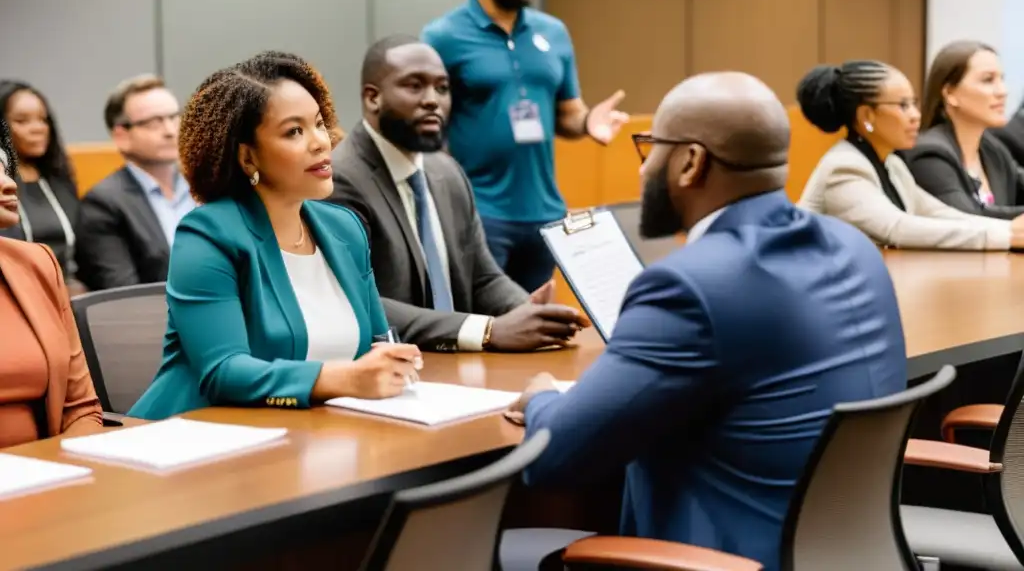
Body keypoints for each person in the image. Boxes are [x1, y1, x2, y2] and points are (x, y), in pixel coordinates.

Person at [502, 72, 908, 571]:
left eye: (650, 148)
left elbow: (554, 459)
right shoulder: (852, 246)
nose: (645, 166)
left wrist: (542, 394)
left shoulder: (689, 285)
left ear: (690, 162)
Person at [129, 52, 421, 420]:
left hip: (314, 433)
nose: (320, 142)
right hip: (202, 440)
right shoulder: (207, 235)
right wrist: (343, 378)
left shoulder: (343, 227)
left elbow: (377, 344)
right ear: (248, 158)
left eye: (318, 123)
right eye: (294, 131)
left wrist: (393, 363)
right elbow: (224, 372)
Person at [328, 36, 590, 352]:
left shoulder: (448, 172)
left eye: (442, 88)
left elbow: (483, 278)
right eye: (414, 86)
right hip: (387, 371)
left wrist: (527, 313)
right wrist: (488, 330)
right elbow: (355, 302)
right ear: (373, 98)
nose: (432, 100)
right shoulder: (339, 178)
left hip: (457, 372)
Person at [421, 0, 629, 292]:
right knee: (488, 327)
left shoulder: (553, 32)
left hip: (545, 213)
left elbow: (568, 114)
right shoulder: (443, 37)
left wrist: (587, 123)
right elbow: (429, 124)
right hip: (480, 213)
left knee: (536, 329)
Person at [797, 61, 1024, 250]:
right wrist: (1007, 236)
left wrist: (1009, 229)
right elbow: (898, 228)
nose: (916, 116)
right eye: (903, 106)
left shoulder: (893, 164)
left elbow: (937, 213)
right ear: (866, 115)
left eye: (914, 103)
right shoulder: (845, 167)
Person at [0, 117, 102, 448]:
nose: (10, 183)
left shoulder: (37, 264)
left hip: (48, 476)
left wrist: (63, 473)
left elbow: (82, 410)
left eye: (5, 168)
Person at [75, 75, 197, 291]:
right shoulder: (103, 204)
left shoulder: (207, 187)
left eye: (174, 117)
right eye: (153, 122)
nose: (170, 131)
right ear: (122, 136)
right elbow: (123, 297)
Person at [902, 41, 1024, 218]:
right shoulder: (929, 154)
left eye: (1001, 79)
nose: (1002, 91)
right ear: (950, 94)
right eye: (988, 80)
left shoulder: (993, 150)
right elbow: (966, 217)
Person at [0, 81, 80, 282]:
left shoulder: (59, 179)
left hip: (62, 291)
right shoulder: (3, 186)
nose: (38, 129)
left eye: (43, 120)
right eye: (22, 121)